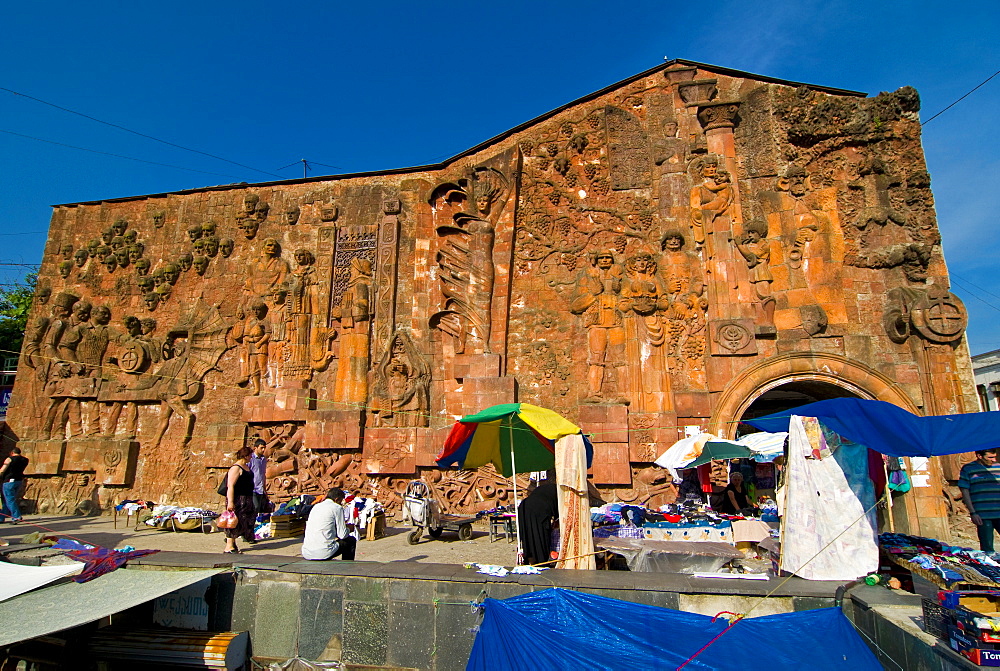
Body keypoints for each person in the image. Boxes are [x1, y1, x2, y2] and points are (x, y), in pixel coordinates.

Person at [959, 449, 1000, 551]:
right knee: (987, 548)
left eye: (995, 457)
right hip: (982, 515)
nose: (994, 460)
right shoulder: (968, 469)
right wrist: (973, 512)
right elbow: (965, 491)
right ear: (979, 456)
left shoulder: (998, 467)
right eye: (990, 457)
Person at [301, 488, 356, 561]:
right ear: (336, 499)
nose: (341, 503)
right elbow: (342, 535)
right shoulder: (337, 508)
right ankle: (347, 567)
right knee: (351, 541)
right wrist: (349, 529)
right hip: (323, 553)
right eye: (341, 501)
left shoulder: (316, 506)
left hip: (307, 552)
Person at [223, 445, 256, 554]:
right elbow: (230, 485)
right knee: (233, 521)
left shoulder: (246, 466)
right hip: (238, 498)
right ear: (245, 456)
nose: (251, 457)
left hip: (247, 498)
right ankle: (229, 546)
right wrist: (231, 502)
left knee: (244, 521)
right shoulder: (236, 468)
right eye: (250, 455)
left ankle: (234, 543)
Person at [518, 477, 559, 565]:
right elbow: (558, 513)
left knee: (528, 533)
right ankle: (541, 560)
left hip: (524, 507)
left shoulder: (548, 489)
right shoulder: (559, 493)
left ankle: (529, 558)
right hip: (539, 509)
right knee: (540, 534)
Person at [248, 438, 270, 542]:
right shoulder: (250, 459)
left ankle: (248, 532)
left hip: (260, 489)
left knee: (256, 511)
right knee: (253, 509)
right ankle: (248, 533)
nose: (263, 450)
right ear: (255, 448)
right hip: (251, 489)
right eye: (261, 448)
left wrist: (264, 489)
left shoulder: (263, 459)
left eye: (264, 448)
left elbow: (263, 474)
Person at [0, 447, 29, 524]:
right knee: (8, 500)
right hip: (18, 481)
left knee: (9, 500)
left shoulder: (9, 459)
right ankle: (1, 517)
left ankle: (16, 516)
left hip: (9, 481)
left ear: (12, 453)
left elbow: (2, 470)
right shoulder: (25, 460)